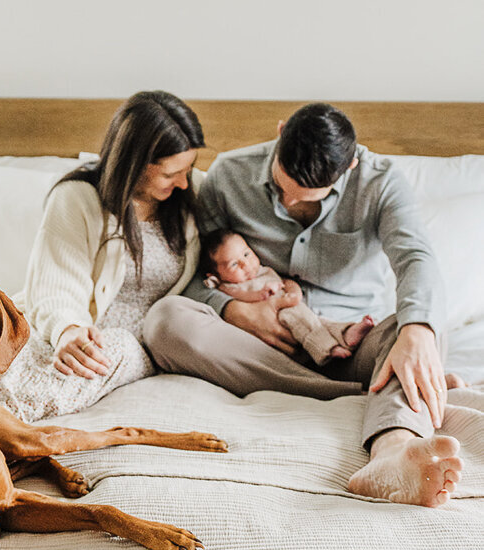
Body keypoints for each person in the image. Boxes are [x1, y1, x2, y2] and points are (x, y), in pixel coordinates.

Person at [143, 103, 464, 508]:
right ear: (279, 133)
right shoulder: (228, 174)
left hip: (350, 343)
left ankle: (392, 451)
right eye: (282, 184)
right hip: (256, 345)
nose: (290, 199)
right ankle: (368, 393)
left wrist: (418, 332)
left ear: (348, 166)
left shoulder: (381, 183)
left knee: (423, 326)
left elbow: (416, 260)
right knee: (164, 320)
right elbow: (193, 270)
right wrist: (229, 309)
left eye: (306, 194)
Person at [0, 90, 205, 423]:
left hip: (135, 341)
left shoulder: (192, 199)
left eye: (188, 169)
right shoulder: (77, 197)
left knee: (77, 370)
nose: (184, 183)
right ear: (134, 163)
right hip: (60, 323)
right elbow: (55, 283)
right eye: (170, 174)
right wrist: (68, 330)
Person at [201, 227, 374, 364]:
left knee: (316, 321)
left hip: (293, 306)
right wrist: (262, 293)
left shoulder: (263, 271)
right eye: (234, 264)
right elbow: (245, 298)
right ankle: (326, 348)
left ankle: (346, 331)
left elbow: (286, 282)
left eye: (246, 254)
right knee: (301, 320)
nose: (245, 264)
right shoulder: (230, 286)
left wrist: (294, 292)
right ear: (216, 275)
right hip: (276, 316)